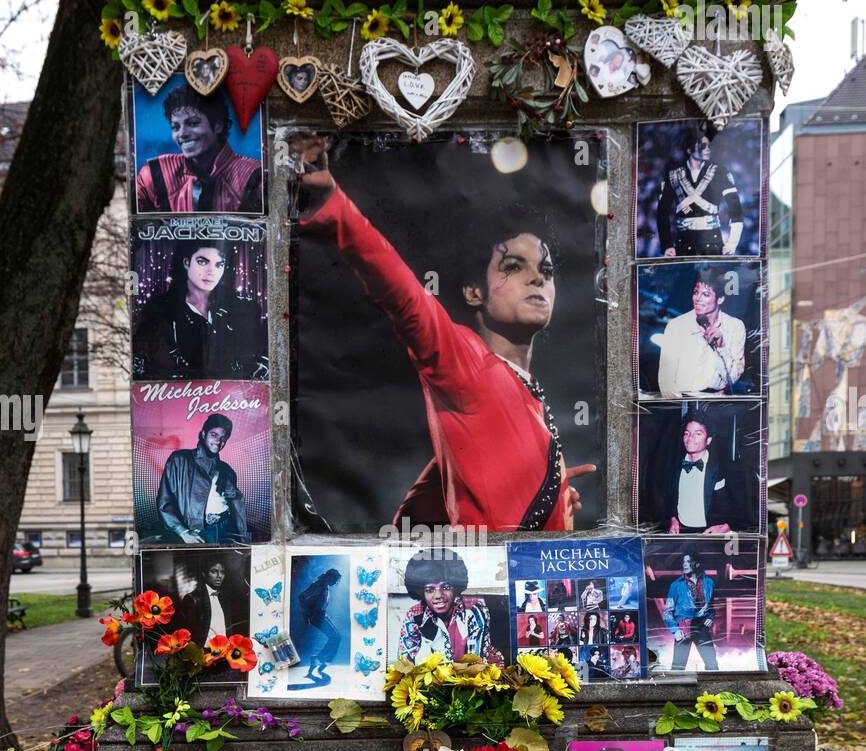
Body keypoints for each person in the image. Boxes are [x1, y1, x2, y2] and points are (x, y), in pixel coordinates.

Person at [290, 133, 596, 531]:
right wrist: (335, 207)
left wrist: (548, 492)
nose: (537, 278)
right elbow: (404, 296)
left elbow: (418, 511)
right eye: (513, 266)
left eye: (546, 270)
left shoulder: (522, 388)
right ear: (473, 292)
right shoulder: (468, 362)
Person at [132, 239, 268, 380]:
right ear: (186, 263)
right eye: (202, 262)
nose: (211, 272)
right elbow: (148, 365)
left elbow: (257, 360)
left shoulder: (244, 308)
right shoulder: (159, 309)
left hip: (234, 398)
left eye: (219, 264)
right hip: (175, 396)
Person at [136, 85, 263, 214]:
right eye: (175, 127)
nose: (182, 134)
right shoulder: (154, 174)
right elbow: (137, 226)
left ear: (218, 125)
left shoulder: (254, 176)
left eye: (193, 123)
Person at [398, 549, 504, 665]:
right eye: (430, 590)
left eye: (446, 587)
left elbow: (475, 664)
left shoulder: (474, 610)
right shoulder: (415, 615)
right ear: (421, 592)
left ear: (455, 587)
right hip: (444, 676)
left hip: (482, 673)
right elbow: (404, 663)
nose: (438, 596)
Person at [155, 413, 248, 544]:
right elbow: (164, 501)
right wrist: (182, 531)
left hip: (225, 527)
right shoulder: (180, 459)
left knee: (223, 564)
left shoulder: (227, 470)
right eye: (214, 435)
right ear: (204, 434)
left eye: (223, 438)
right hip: (198, 531)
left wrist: (242, 537)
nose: (218, 441)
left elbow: (235, 505)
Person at [655, 121, 744, 258]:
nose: (707, 149)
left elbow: (736, 210)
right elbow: (662, 212)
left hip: (713, 245)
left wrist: (731, 244)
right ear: (689, 150)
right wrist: (666, 244)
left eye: (709, 145)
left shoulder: (720, 173)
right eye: (702, 146)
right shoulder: (674, 175)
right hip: (683, 246)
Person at [656, 266, 747, 398]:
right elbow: (666, 382)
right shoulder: (676, 326)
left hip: (718, 403)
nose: (697, 299)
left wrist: (721, 348)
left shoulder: (735, 327)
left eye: (705, 294)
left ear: (720, 299)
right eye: (695, 292)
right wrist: (683, 409)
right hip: (684, 403)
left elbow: (732, 380)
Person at [660, 413, 746, 535]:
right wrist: (672, 519)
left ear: (709, 440)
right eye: (687, 433)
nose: (690, 438)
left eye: (698, 434)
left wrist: (728, 526)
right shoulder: (673, 467)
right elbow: (666, 502)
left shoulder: (725, 468)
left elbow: (742, 507)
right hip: (681, 535)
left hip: (712, 536)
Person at [662, 550, 719, 671]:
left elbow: (711, 607)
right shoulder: (676, 585)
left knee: (712, 665)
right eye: (683, 562)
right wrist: (675, 630)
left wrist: (710, 617)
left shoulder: (709, 583)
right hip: (683, 628)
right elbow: (667, 612)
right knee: (677, 668)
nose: (685, 564)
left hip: (702, 627)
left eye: (688, 561)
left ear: (697, 564)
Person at [176, 557, 245, 648]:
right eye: (214, 571)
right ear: (204, 574)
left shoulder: (225, 597)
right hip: (203, 651)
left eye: (222, 572)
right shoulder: (192, 599)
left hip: (225, 650)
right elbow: (186, 634)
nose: (219, 576)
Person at [296, 567, 343, 682]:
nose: (335, 583)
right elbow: (301, 597)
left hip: (322, 615)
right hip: (316, 617)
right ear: (330, 577)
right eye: (335, 580)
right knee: (336, 637)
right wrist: (305, 615)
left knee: (337, 636)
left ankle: (319, 659)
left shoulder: (324, 584)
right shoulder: (318, 585)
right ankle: (319, 659)